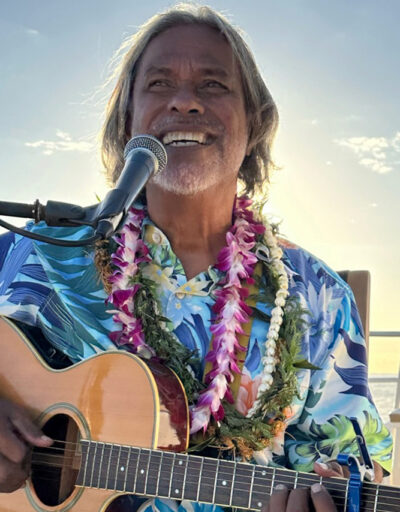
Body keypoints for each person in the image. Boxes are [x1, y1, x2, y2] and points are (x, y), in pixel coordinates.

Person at [0, 4, 392, 511]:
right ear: (127, 124)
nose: (184, 102)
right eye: (159, 85)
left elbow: (353, 458)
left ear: (254, 125)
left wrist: (332, 489)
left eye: (213, 85)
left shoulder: (317, 297)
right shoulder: (40, 249)